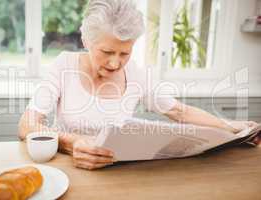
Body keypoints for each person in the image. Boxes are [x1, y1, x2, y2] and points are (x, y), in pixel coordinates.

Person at [18, 0, 260, 170]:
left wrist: (233, 128)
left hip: (120, 173)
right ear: (86, 40)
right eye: (107, 51)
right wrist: (70, 143)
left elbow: (178, 111)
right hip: (69, 171)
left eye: (125, 53)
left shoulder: (135, 74)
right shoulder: (64, 65)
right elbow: (27, 125)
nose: (116, 63)